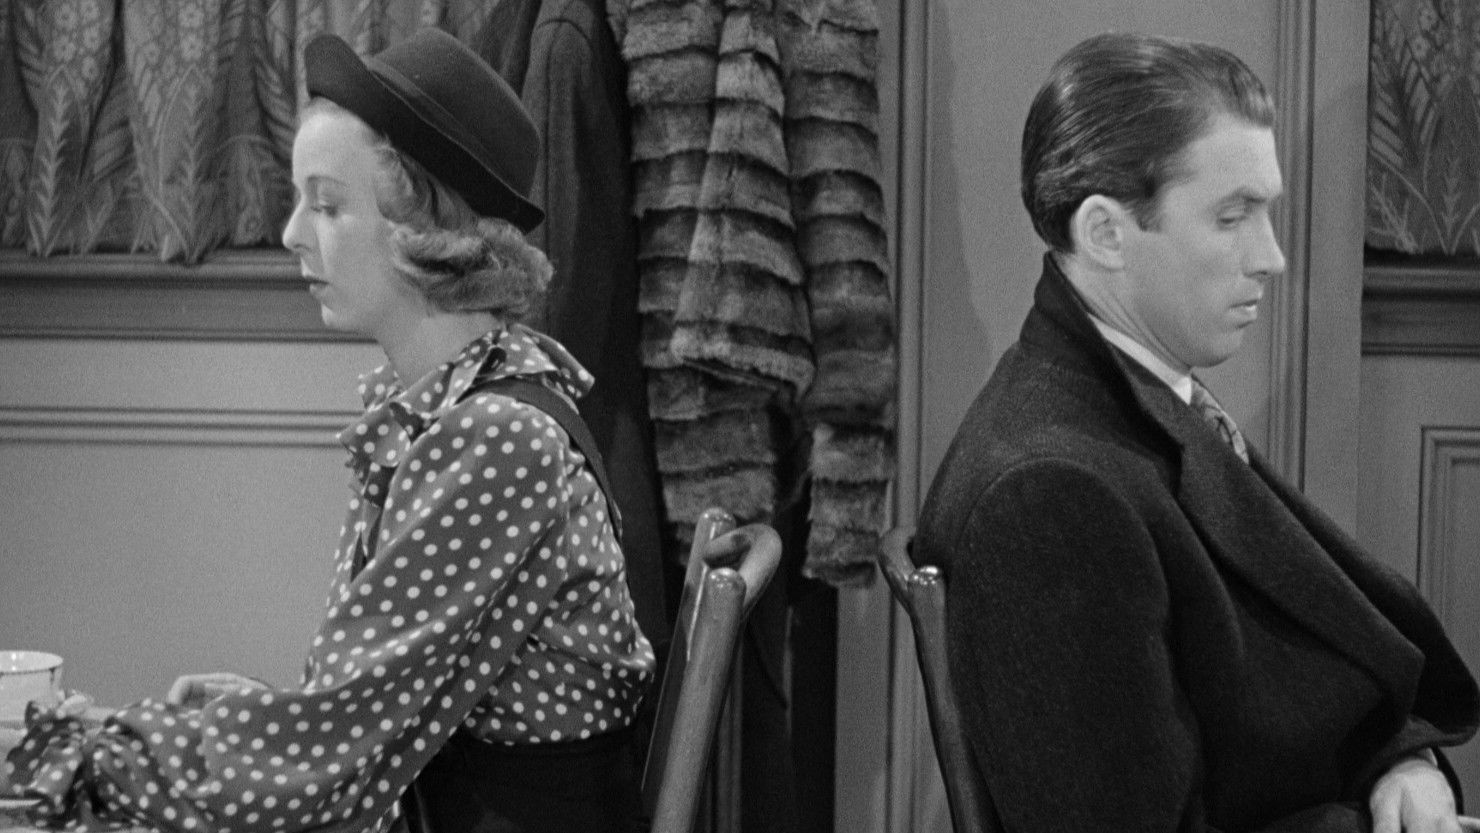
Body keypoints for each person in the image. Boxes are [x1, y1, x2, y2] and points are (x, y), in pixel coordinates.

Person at [4, 28, 653, 833]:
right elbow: (361, 713)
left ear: (427, 230)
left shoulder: (495, 439)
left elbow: (322, 764)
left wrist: (74, 753)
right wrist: (270, 716)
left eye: (328, 205)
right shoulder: (451, 409)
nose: (291, 235)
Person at [915, 31, 1480, 833]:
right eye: (1232, 216)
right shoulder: (1048, 493)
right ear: (1106, 233)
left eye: (1267, 211)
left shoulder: (1140, 399)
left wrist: (1401, 763)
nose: (1272, 257)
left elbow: (1289, 685)